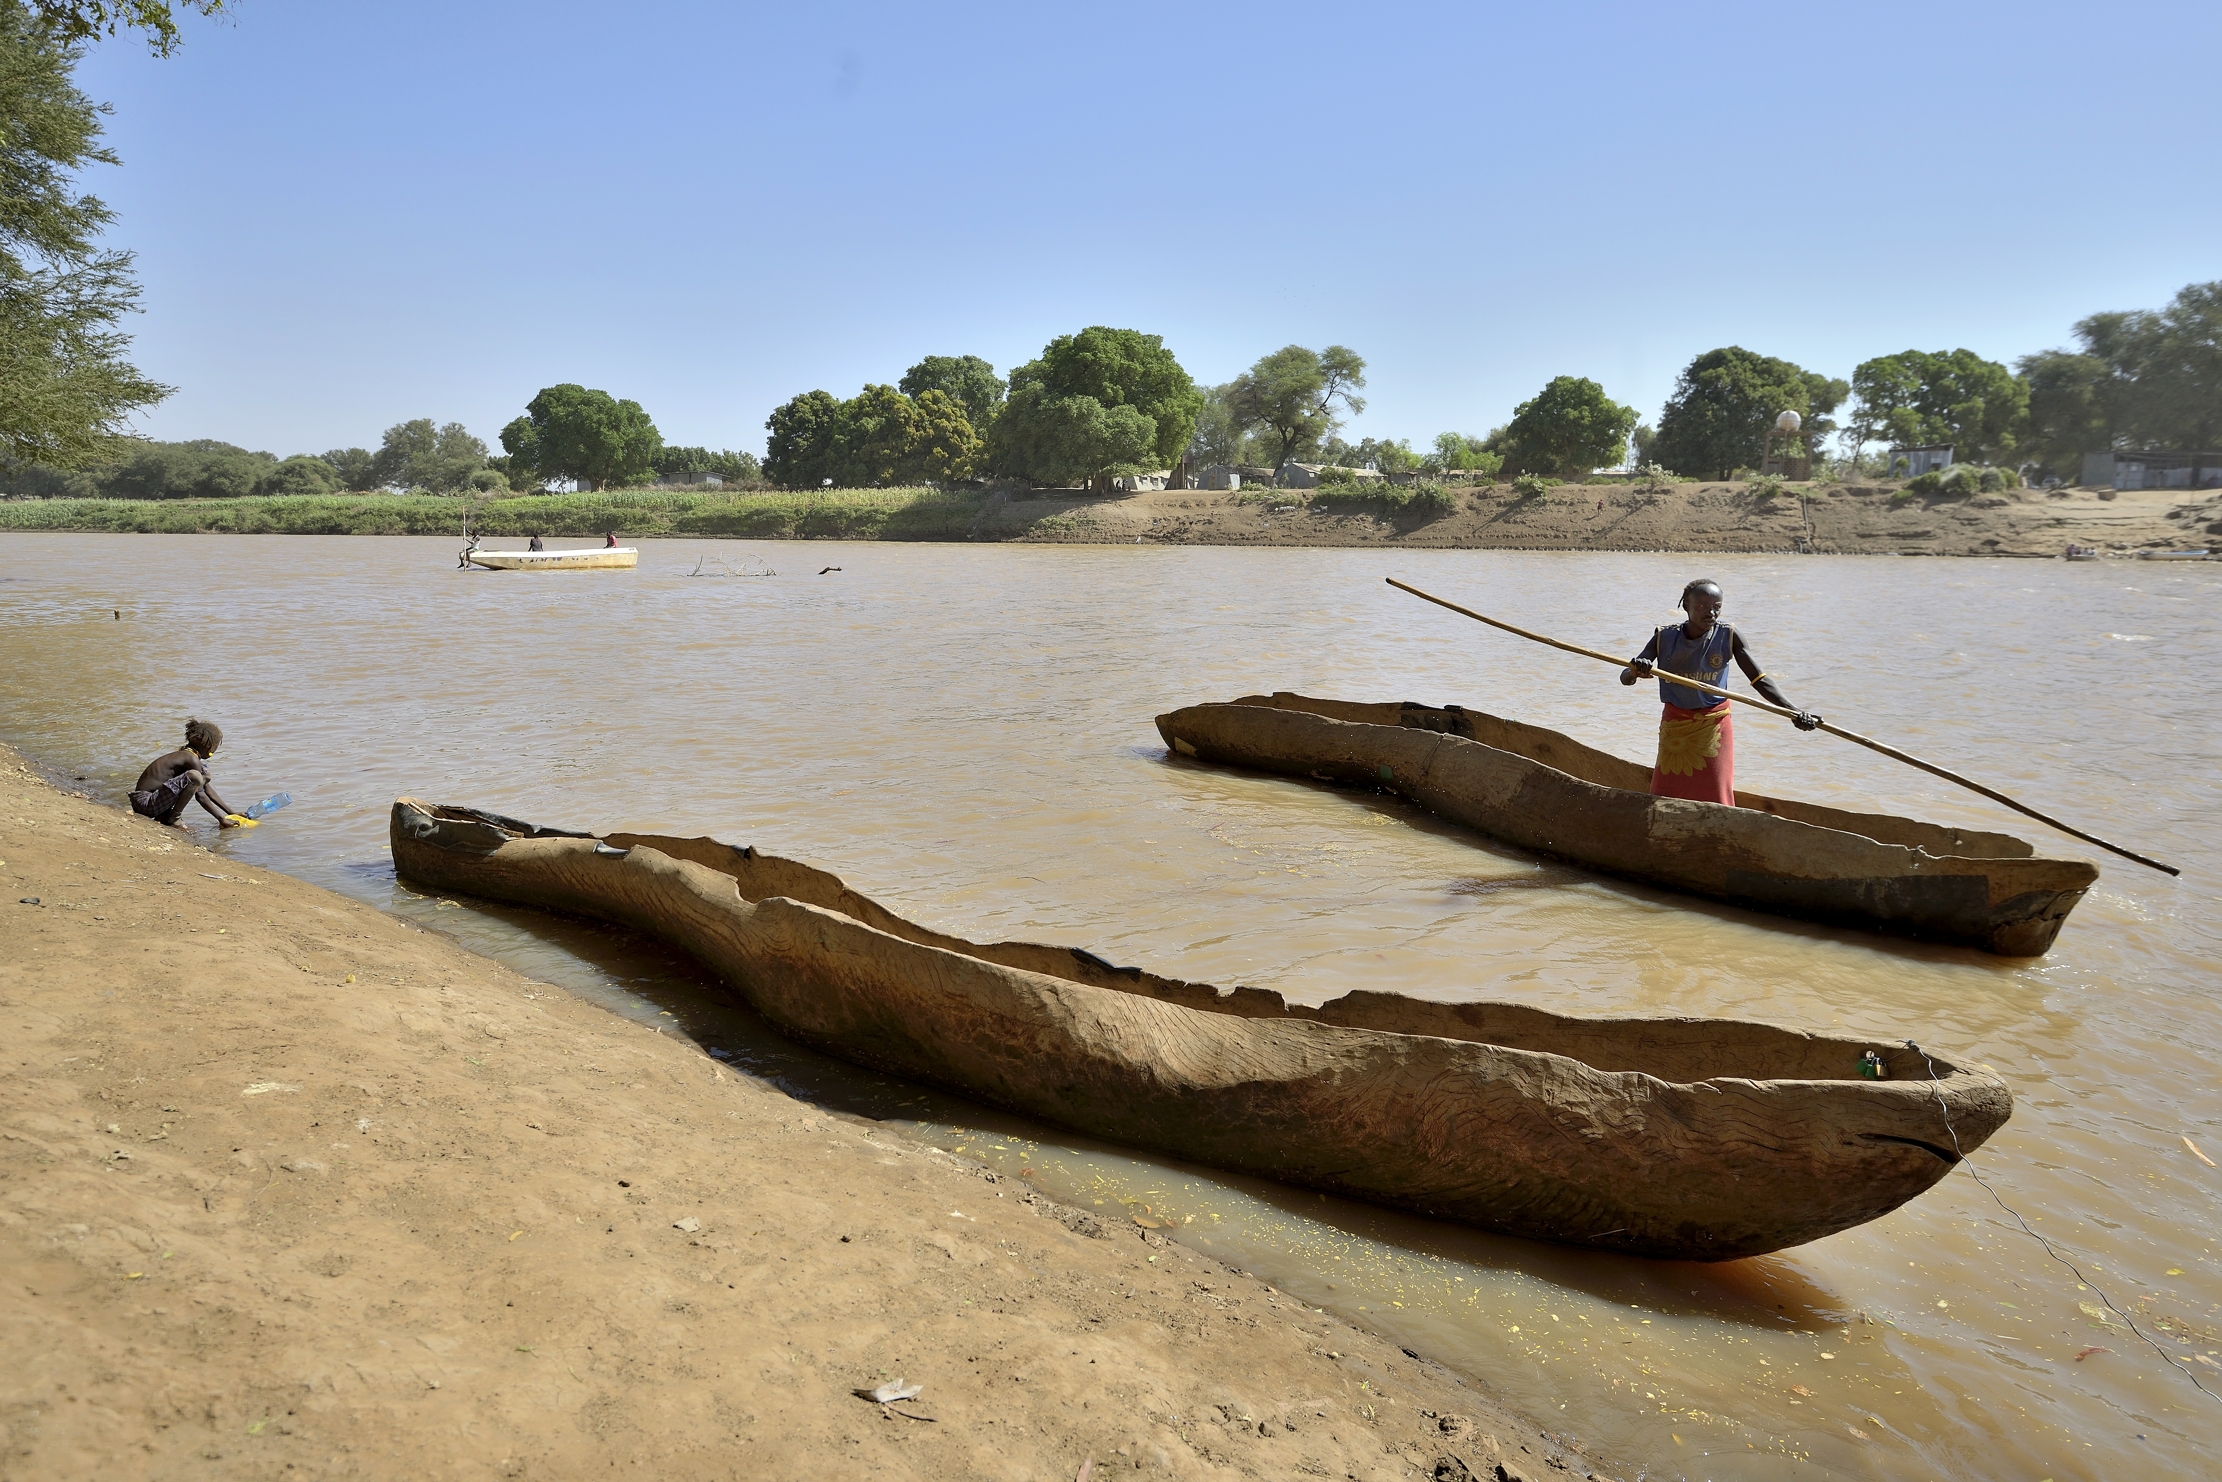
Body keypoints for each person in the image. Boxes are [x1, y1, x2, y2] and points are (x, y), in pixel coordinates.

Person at [1620, 580, 1820, 805]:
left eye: (1717, 606)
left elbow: (1759, 680)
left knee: (1716, 792)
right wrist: (1637, 670)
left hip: (1714, 724)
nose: (1711, 612)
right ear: (1686, 605)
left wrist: (1794, 712)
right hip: (1676, 725)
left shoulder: (1729, 635)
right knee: (1665, 793)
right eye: (1703, 606)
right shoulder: (1664, 637)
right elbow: (1625, 677)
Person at [129, 718, 251, 828]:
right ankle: (174, 818)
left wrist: (231, 813)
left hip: (145, 803)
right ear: (209, 745)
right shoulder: (191, 759)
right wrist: (221, 819)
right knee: (196, 776)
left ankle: (166, 815)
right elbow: (201, 795)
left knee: (201, 776)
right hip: (146, 803)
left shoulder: (187, 756)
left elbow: (207, 789)